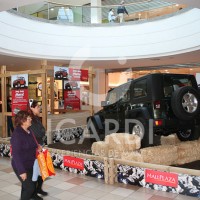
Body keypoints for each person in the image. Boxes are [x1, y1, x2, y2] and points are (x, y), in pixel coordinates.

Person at [11, 110, 42, 200]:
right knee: (30, 187)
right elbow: (16, 155)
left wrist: (38, 147)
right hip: (21, 165)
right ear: (22, 121)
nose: (31, 119)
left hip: (31, 163)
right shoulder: (17, 134)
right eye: (29, 118)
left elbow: (33, 144)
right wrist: (22, 171)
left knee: (28, 185)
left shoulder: (29, 131)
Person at [28, 100, 48, 197]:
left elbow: (42, 131)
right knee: (36, 171)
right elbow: (39, 133)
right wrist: (42, 132)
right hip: (36, 148)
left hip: (40, 146)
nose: (39, 108)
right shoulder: (31, 119)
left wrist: (42, 132)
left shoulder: (36, 118)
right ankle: (33, 193)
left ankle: (38, 189)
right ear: (31, 108)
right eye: (37, 107)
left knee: (42, 169)